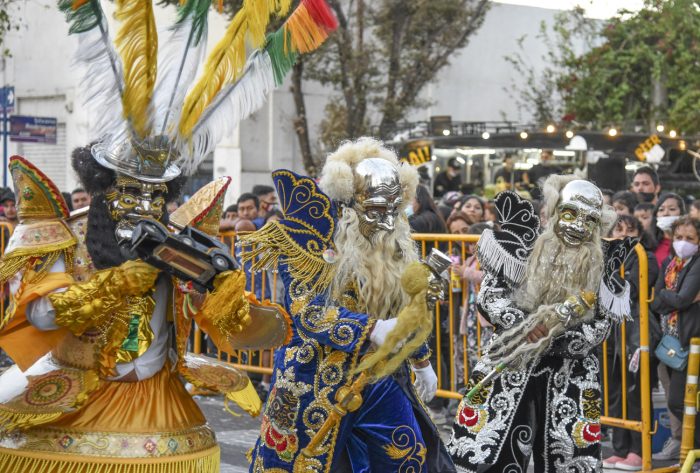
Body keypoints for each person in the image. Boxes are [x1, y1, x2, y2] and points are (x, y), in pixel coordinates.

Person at [0, 150, 271, 471]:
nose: (145, 205)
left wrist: (217, 289)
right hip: (79, 400)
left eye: (156, 195)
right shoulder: (70, 236)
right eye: (130, 192)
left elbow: (225, 323)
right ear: (105, 186)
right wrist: (114, 284)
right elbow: (41, 315)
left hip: (160, 401)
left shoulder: (178, 243)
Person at [242, 137, 455, 472]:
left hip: (381, 378)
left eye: (394, 211)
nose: (387, 222)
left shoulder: (397, 247)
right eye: (375, 210)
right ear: (349, 204)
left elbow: (403, 313)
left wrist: (421, 360)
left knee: (409, 455)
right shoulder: (310, 244)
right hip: (316, 377)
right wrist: (370, 328)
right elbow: (306, 312)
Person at [448, 176, 632, 472]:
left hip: (571, 373)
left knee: (569, 457)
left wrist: (557, 337)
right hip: (512, 363)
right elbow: (491, 296)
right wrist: (524, 327)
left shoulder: (603, 264)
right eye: (571, 214)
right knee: (491, 452)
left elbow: (601, 326)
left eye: (589, 220)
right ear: (557, 211)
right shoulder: (521, 246)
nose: (577, 227)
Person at [603, 215, 659, 471]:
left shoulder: (645, 256)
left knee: (635, 391)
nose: (623, 234)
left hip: (635, 329)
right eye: (618, 229)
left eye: (630, 229)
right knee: (614, 390)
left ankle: (638, 450)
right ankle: (620, 448)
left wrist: (605, 280)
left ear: (640, 232)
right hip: (611, 331)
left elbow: (631, 289)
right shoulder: (605, 254)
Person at [651, 217, 700, 459]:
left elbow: (680, 299)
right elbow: (658, 301)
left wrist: (666, 295)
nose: (683, 243)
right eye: (679, 237)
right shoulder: (670, 262)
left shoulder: (698, 264)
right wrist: (668, 294)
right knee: (679, 401)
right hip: (669, 342)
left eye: (690, 238)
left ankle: (695, 449)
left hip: (691, 342)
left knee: (679, 401)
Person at [651, 193, 686, 269]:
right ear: (656, 215)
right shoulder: (649, 244)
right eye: (661, 210)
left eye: (672, 209)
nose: (665, 213)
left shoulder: (689, 245)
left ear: (682, 214)